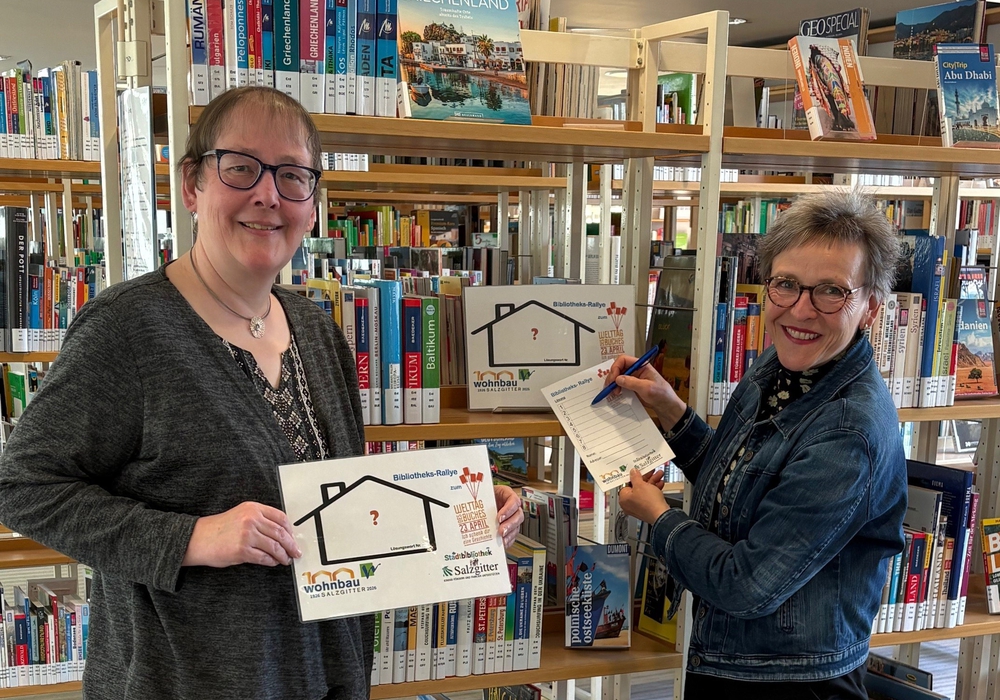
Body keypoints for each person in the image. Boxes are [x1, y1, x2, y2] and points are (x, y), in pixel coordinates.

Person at [0, 85, 523, 700]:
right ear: (192, 184)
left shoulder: (318, 334)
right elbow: (23, 488)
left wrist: (463, 516)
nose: (268, 195)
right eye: (242, 167)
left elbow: (345, 510)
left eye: (292, 176)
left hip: (327, 675)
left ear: (312, 205)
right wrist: (191, 539)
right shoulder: (128, 330)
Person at [609, 190, 907, 700]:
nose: (800, 311)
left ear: (870, 308)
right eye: (786, 284)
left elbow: (745, 585)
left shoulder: (848, 433)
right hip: (737, 662)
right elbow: (740, 483)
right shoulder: (781, 365)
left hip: (792, 683)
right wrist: (670, 409)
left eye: (830, 292)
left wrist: (659, 518)